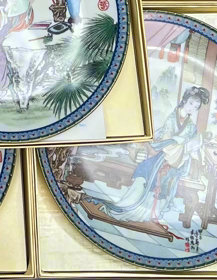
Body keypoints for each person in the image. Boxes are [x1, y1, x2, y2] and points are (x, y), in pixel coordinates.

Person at [87, 85, 210, 227]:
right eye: (191, 103)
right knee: (146, 170)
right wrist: (175, 143)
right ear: (184, 101)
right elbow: (165, 138)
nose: (191, 108)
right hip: (163, 153)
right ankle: (129, 206)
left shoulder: (191, 126)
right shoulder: (172, 117)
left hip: (177, 160)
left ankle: (150, 214)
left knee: (165, 176)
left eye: (196, 107)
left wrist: (184, 147)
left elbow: (190, 146)